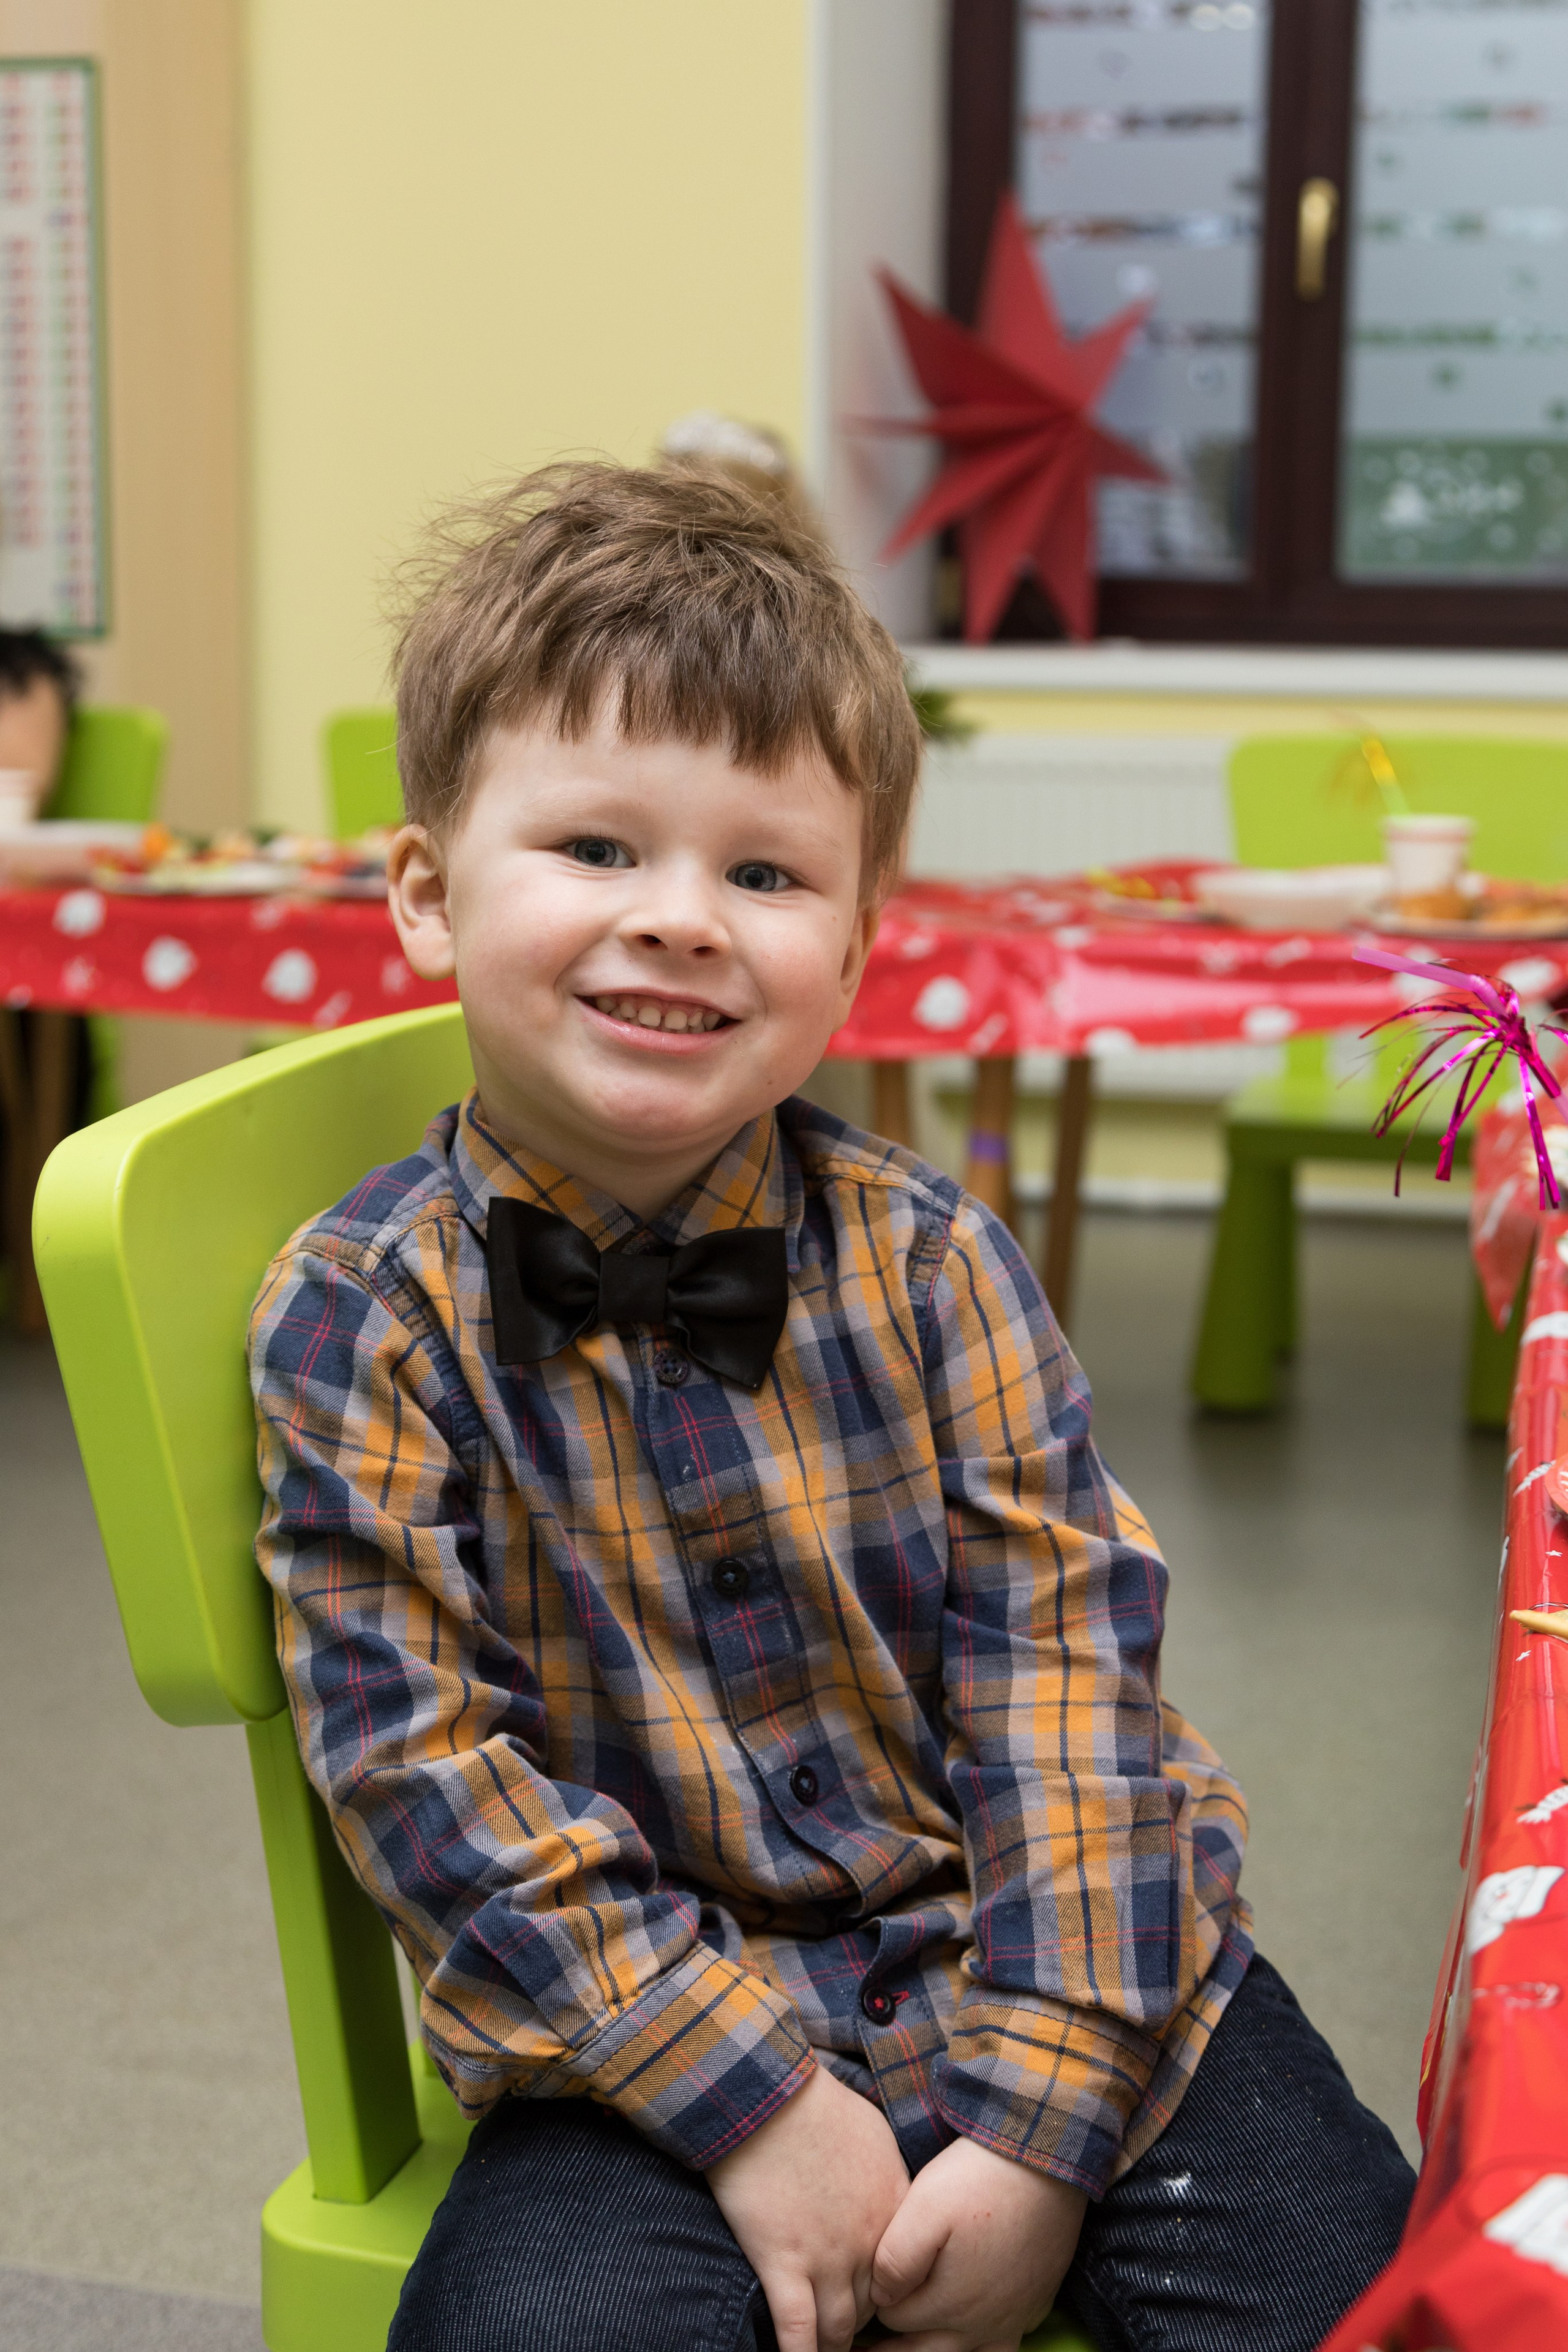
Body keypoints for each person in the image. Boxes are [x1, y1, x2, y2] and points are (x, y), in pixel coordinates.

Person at [247, 466, 1414, 2352]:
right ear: (422, 892)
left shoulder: (940, 1260)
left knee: (1355, 2302)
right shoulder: (360, 1315)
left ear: (858, 952)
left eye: (767, 874)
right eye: (600, 850)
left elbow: (1071, 1685)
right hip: (636, 2019)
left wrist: (1043, 2116)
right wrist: (756, 2100)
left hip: (1053, 1955)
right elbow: (419, 1768)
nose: (686, 921)